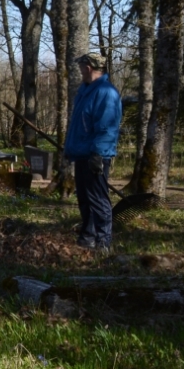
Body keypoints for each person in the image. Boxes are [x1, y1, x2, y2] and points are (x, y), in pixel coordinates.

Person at [64, 49, 123, 251]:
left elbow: (107, 127)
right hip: (82, 153)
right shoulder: (85, 91)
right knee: (85, 198)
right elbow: (79, 125)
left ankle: (103, 241)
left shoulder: (106, 93)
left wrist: (98, 153)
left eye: (81, 67)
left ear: (88, 67)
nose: (80, 70)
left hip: (95, 155)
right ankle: (88, 237)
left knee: (98, 199)